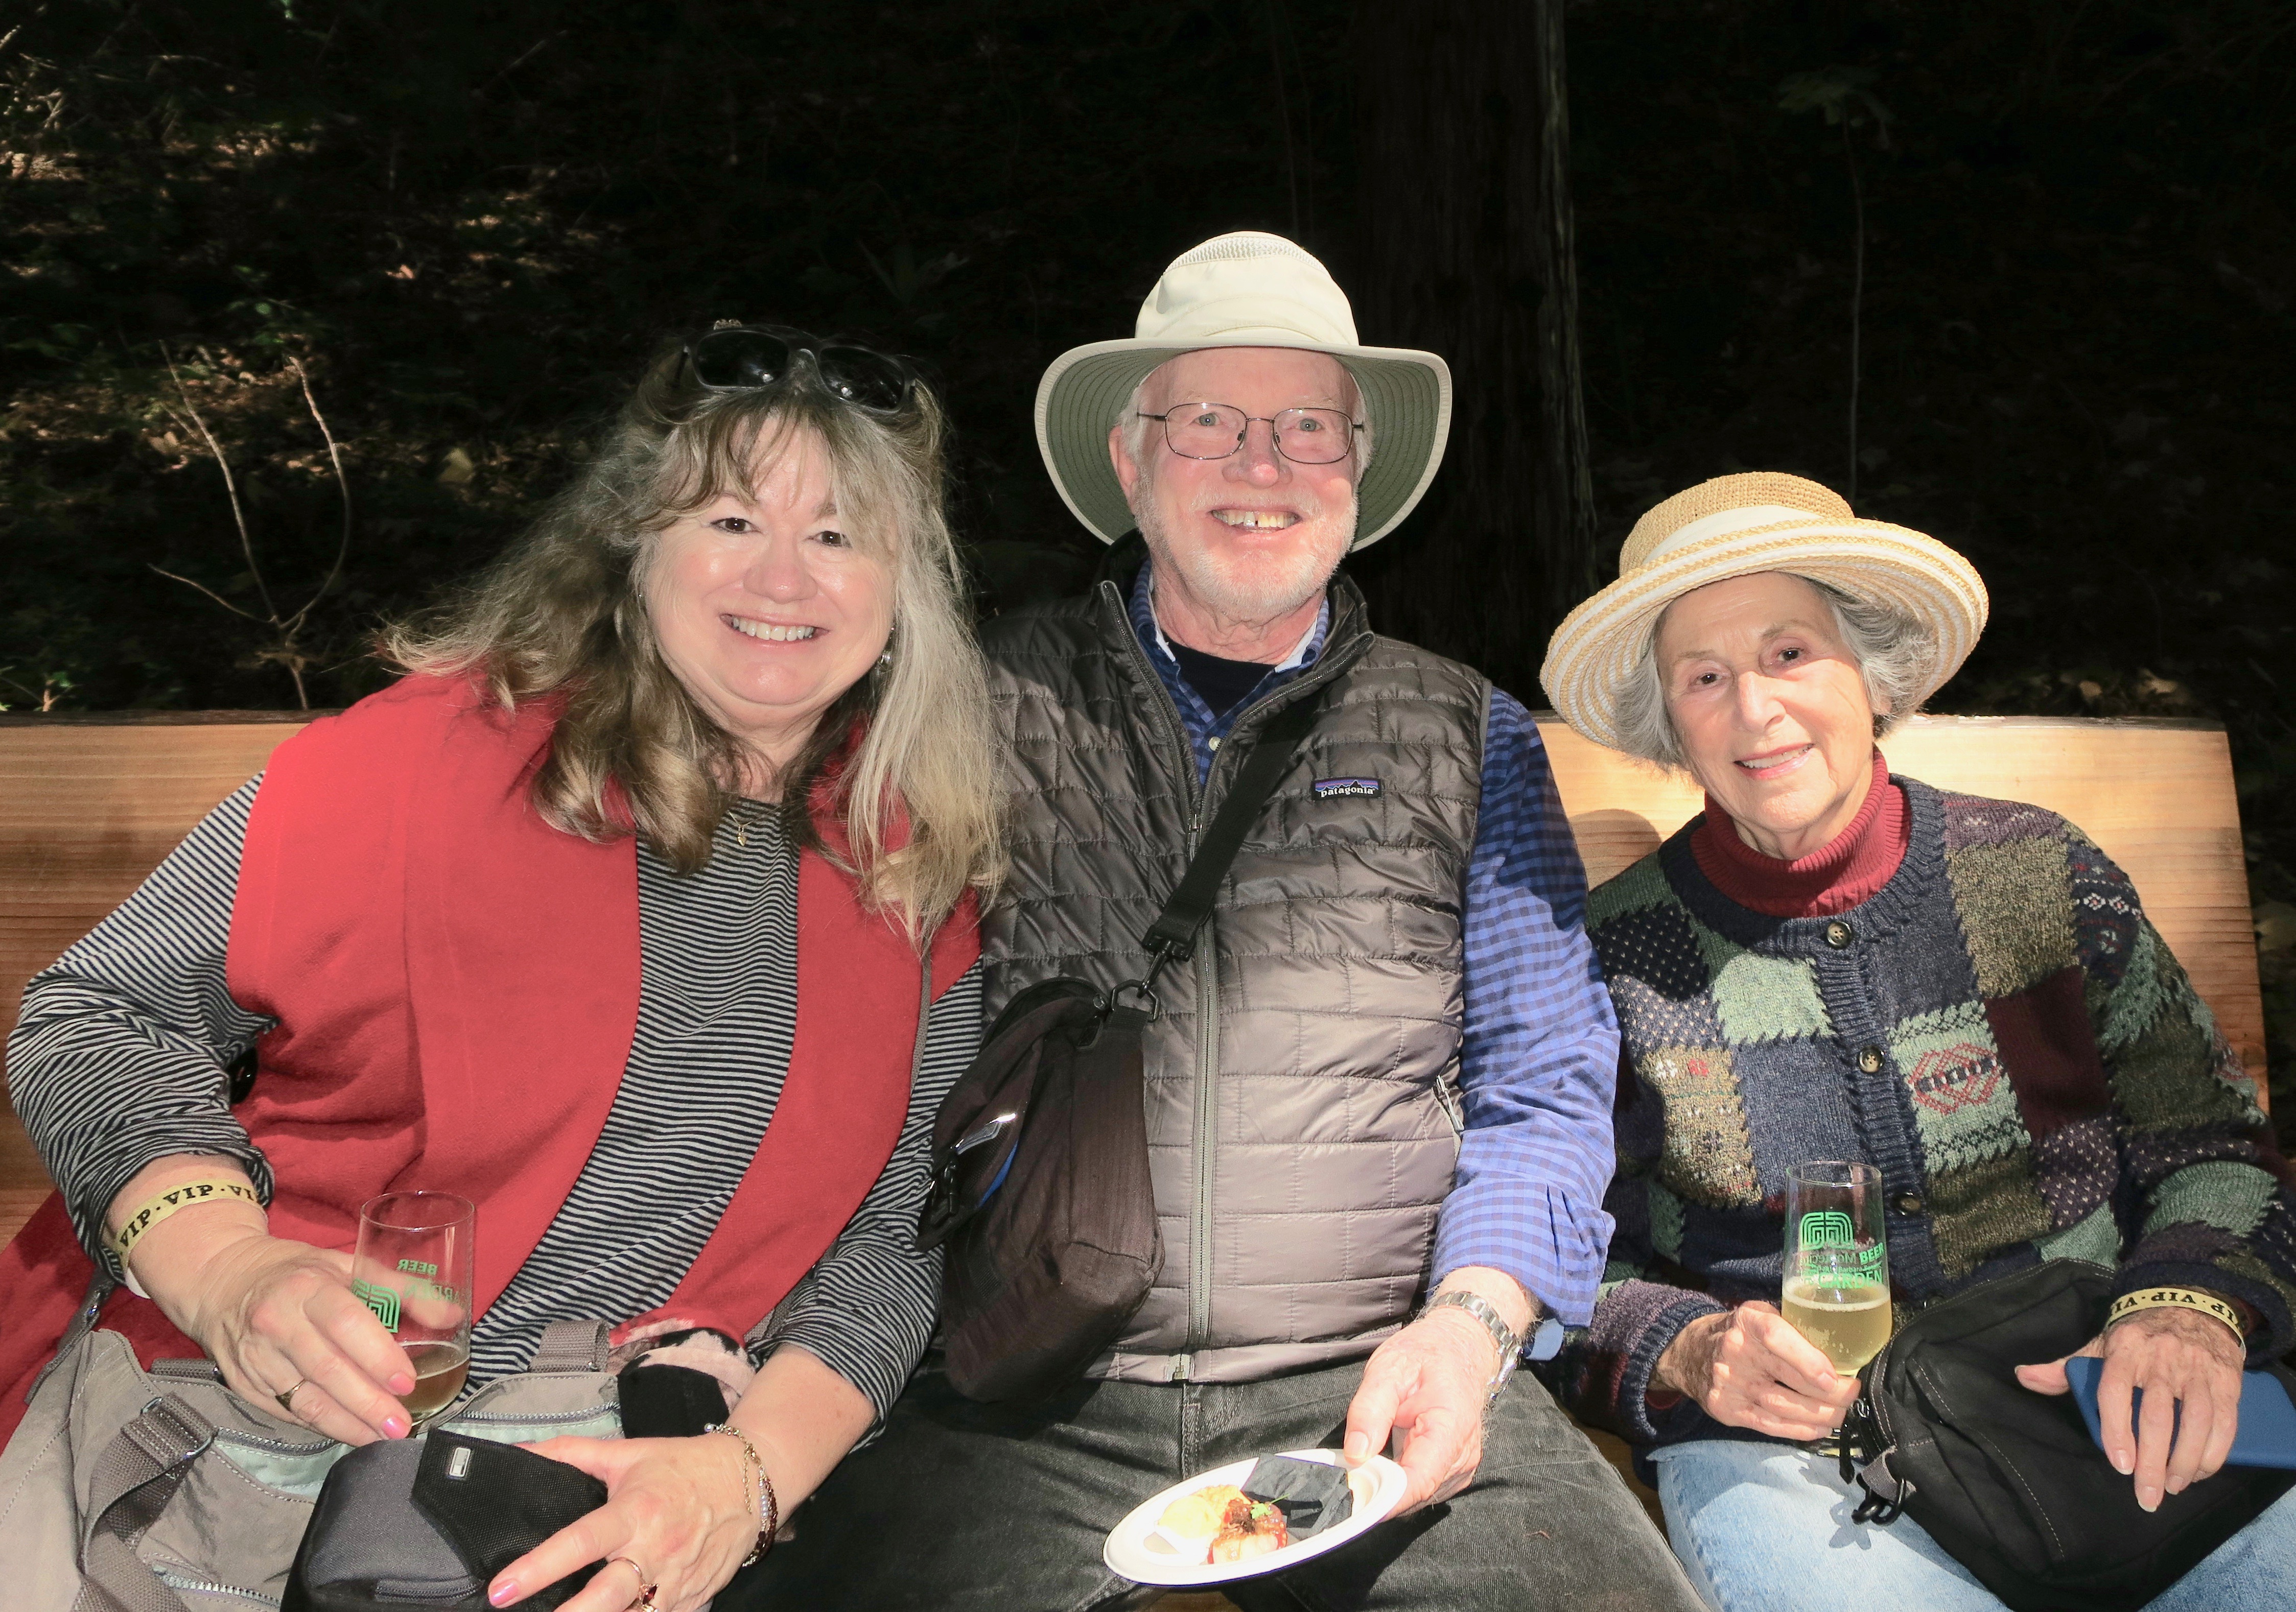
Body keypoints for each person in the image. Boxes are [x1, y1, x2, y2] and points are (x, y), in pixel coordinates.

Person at [744, 234, 1702, 1610]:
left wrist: (1467, 1325)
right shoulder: (969, 706)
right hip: (1021, 1390)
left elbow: (1544, 1080)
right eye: (1208, 421)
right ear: (1130, 461)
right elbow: (821, 1036)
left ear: (1356, 470)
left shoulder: (1467, 732)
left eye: (1308, 426)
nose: (1263, 463)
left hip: (1369, 1377)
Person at [0, 323, 1001, 1612]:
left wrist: (749, 1478)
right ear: (635, 543)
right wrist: (230, 1271)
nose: (784, 576)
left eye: (839, 535)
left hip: (615, 1482)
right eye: (733, 520)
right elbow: (100, 1011)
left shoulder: (911, 865)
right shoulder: (424, 766)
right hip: (256, 1424)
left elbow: (902, 1230)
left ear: (905, 587)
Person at [1535, 470, 2296, 1610]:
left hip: (2093, 1393)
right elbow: (1551, 1258)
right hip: (1798, 1451)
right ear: (1670, 723)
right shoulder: (1608, 959)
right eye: (1705, 677)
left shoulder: (2039, 875)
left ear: (1871, 673)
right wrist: (1684, 1346)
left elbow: (2215, 1148)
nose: (1755, 709)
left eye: (1790, 653)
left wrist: (2187, 1305)